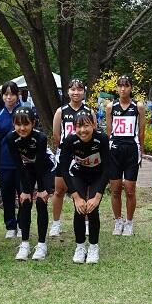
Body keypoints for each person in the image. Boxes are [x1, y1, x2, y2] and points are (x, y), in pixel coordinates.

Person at [5, 107, 56, 261]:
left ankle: (41, 244)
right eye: (18, 124)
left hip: (46, 167)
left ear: (33, 123)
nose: (22, 128)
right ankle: (25, 243)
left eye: (26, 124)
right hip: (27, 167)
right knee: (25, 201)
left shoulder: (40, 137)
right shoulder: (10, 138)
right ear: (13, 124)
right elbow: (18, 164)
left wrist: (42, 189)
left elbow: (40, 165)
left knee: (40, 201)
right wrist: (26, 191)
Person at [60, 112, 109, 263]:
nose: (83, 130)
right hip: (78, 174)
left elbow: (108, 168)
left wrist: (98, 196)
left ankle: (93, 246)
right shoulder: (70, 140)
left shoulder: (102, 138)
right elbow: (63, 168)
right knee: (79, 209)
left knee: (92, 209)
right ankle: (80, 246)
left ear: (93, 125)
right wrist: (75, 197)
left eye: (86, 125)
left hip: (97, 175)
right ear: (74, 128)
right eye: (78, 126)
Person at [49, 78, 95, 237]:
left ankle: (87, 222)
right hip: (65, 154)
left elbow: (94, 132)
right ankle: (56, 223)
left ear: (84, 92)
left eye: (79, 89)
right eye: (73, 89)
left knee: (85, 190)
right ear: (68, 92)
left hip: (84, 155)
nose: (76, 92)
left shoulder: (89, 111)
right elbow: (56, 135)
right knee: (59, 190)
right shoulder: (61, 111)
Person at [106, 75, 146, 236]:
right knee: (115, 189)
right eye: (120, 86)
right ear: (117, 88)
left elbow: (141, 131)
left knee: (130, 190)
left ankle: (129, 222)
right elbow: (109, 131)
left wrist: (141, 151)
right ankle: (118, 221)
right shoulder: (111, 107)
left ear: (131, 88)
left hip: (131, 150)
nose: (123, 89)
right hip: (115, 150)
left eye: (126, 85)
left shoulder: (138, 106)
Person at [0, 81, 23, 238]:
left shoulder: (24, 112)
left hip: (23, 161)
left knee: (23, 194)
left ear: (18, 95)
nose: (9, 97)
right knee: (7, 194)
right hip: (4, 161)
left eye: (12, 94)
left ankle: (22, 224)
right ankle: (10, 225)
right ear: (2, 95)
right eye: (6, 94)